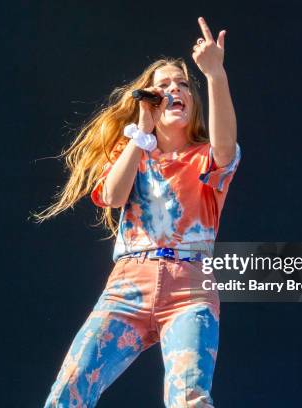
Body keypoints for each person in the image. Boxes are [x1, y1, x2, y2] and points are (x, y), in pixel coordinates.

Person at [33, 17, 241, 408]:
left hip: (190, 287)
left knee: (190, 400)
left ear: (193, 103)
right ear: (148, 100)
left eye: (181, 85)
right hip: (128, 287)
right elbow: (112, 196)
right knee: (69, 391)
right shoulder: (132, 154)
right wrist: (141, 133)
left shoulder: (204, 157)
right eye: (162, 86)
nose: (174, 89)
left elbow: (226, 146)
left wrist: (214, 75)